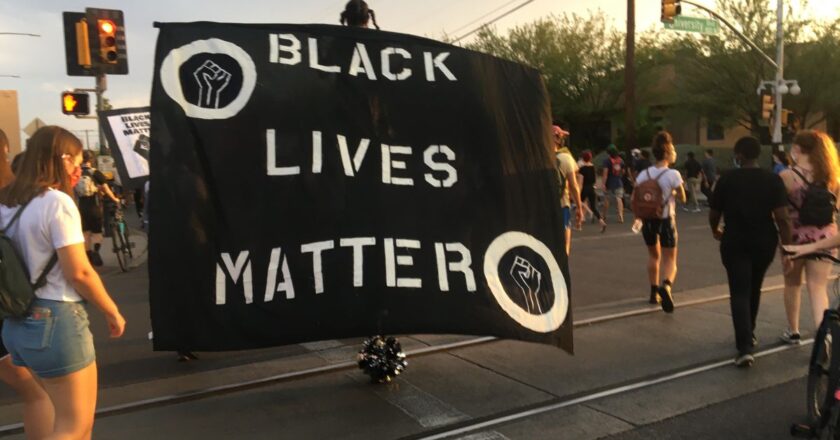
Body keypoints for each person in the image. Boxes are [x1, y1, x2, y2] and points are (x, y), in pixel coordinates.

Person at [0, 126, 126, 438]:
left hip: (16, 325)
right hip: (56, 321)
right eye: (78, 162)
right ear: (64, 160)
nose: (79, 170)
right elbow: (79, 272)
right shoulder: (56, 202)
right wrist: (111, 311)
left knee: (59, 413)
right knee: (75, 426)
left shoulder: (7, 203)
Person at [709, 136, 793, 368]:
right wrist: (787, 249)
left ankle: (744, 346)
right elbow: (783, 218)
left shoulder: (727, 178)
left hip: (734, 239)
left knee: (739, 290)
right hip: (764, 240)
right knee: (754, 286)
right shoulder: (772, 180)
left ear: (739, 155)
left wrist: (715, 229)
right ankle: (751, 331)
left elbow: (714, 212)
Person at [0, 129, 55, 438]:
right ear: (5, 149)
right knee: (39, 392)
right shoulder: (19, 196)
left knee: (36, 392)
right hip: (13, 311)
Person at [779, 130, 840, 344]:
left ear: (798, 149)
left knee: (792, 283)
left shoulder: (787, 176)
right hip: (827, 236)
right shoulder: (833, 177)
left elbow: (779, 211)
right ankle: (823, 337)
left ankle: (793, 330)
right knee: (818, 287)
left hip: (795, 237)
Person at [635, 131, 686, 312]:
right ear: (666, 153)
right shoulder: (673, 174)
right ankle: (667, 285)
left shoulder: (643, 174)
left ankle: (653, 292)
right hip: (665, 220)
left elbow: (636, 197)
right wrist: (672, 193)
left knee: (653, 256)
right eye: (672, 150)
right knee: (670, 259)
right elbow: (683, 197)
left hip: (648, 220)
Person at [75, 151, 120, 267]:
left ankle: (89, 256)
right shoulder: (96, 173)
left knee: (85, 234)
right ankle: (96, 251)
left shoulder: (76, 173)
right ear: (92, 160)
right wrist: (115, 199)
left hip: (80, 208)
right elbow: (107, 190)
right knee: (97, 233)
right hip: (94, 207)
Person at [553, 126, 584, 255]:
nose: (562, 139)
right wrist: (579, 207)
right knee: (564, 246)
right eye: (561, 136)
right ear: (556, 138)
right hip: (561, 205)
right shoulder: (565, 158)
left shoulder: (538, 159)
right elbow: (574, 185)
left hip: (541, 208)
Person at [577, 150, 607, 233]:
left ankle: (580, 223)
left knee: (578, 203)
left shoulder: (582, 169)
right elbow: (594, 179)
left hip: (584, 188)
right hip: (591, 188)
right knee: (594, 207)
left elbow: (580, 182)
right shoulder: (592, 167)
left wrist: (578, 191)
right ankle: (602, 222)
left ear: (583, 158)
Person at [601, 145, 626, 223]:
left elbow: (605, 173)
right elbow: (623, 172)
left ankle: (603, 215)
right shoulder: (621, 160)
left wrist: (603, 184)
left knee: (607, 198)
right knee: (619, 198)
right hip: (618, 181)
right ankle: (620, 216)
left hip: (609, 182)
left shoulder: (607, 161)